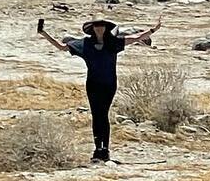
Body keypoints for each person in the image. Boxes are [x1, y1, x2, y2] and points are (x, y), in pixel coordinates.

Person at [37, 13, 161, 162]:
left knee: (104, 114)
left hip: (109, 84)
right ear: (93, 28)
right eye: (97, 25)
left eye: (102, 25)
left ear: (106, 28)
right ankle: (98, 149)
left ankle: (105, 149)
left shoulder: (113, 43)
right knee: (96, 116)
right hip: (93, 84)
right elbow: (62, 47)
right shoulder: (84, 44)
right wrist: (44, 33)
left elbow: (135, 38)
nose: (99, 28)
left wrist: (153, 30)